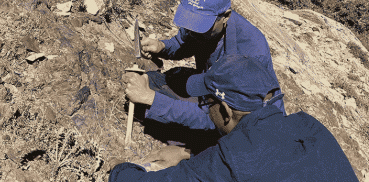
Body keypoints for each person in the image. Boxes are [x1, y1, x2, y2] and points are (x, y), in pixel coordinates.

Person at [111, 54, 359, 181]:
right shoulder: (309, 127)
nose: (206, 108)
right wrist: (192, 156)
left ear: (226, 112)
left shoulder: (233, 159)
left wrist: (121, 169)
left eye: (206, 102)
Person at [127, 0, 286, 132]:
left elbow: (222, 120)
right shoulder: (200, 21)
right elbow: (182, 44)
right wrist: (162, 47)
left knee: (164, 112)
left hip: (243, 121)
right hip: (211, 90)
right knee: (156, 81)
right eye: (190, 24)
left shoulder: (249, 51)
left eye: (201, 26)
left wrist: (151, 99)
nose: (192, 32)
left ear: (225, 16)